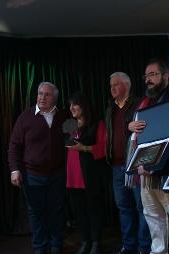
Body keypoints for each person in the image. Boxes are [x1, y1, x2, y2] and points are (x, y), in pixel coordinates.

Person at [128, 58, 169, 254]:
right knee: (153, 220)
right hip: (145, 173)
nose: (148, 79)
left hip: (167, 172)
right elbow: (138, 137)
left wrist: (162, 161)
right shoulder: (144, 104)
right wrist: (130, 126)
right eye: (146, 76)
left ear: (166, 76)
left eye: (153, 74)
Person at [8, 82, 67, 254]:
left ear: (55, 98)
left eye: (47, 94)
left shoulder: (63, 117)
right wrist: (14, 169)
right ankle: (40, 248)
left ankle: (56, 246)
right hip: (32, 175)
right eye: (40, 93)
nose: (42, 97)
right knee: (36, 213)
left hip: (57, 174)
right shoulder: (25, 117)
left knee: (56, 212)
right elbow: (14, 146)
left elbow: (74, 137)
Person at [105, 72, 151, 254]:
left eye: (116, 84)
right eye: (111, 86)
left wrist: (127, 125)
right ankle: (129, 246)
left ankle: (144, 247)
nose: (112, 88)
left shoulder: (139, 104)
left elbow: (141, 128)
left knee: (141, 207)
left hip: (134, 165)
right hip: (117, 167)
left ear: (127, 85)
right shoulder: (111, 108)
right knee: (124, 207)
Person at [66, 91, 107, 254]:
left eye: (74, 104)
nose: (71, 108)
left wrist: (84, 148)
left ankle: (96, 243)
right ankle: (85, 241)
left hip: (90, 175)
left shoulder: (98, 124)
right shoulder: (69, 124)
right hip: (72, 175)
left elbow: (104, 148)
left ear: (84, 105)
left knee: (94, 210)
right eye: (70, 105)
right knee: (79, 211)